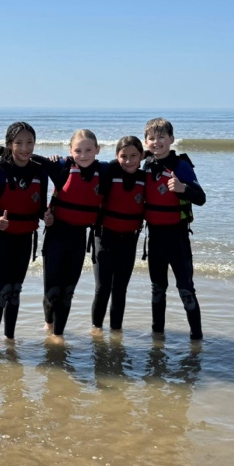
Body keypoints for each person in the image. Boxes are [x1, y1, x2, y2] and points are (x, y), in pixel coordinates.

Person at [32, 129, 109, 338]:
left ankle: (58, 335)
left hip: (79, 238)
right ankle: (49, 324)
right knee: (52, 292)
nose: (83, 155)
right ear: (70, 151)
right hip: (56, 235)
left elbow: (128, 161)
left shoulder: (104, 171)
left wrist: (150, 153)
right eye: (78, 150)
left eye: (88, 150)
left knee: (67, 293)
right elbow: (30, 157)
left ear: (97, 149)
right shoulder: (62, 168)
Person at [0, 122, 49, 344]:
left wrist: (46, 216)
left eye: (30, 142)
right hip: (1, 238)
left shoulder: (40, 172)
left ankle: (10, 339)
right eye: (19, 143)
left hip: (25, 238)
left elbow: (40, 208)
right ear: (10, 145)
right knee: (3, 289)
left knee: (16, 289)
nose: (25, 148)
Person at [143, 117, 206, 340]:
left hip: (178, 239)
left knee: (186, 290)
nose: (156, 142)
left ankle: (196, 339)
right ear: (146, 142)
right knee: (157, 289)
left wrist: (183, 188)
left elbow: (201, 198)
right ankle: (157, 339)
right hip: (155, 238)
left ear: (171, 139)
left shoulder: (181, 166)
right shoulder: (146, 164)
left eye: (161, 137)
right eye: (152, 138)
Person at [91, 136, 145, 333]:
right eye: (123, 156)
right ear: (116, 156)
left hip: (129, 240)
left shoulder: (145, 178)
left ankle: (116, 331)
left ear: (141, 156)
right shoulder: (109, 172)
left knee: (120, 289)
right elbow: (88, 163)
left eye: (134, 156)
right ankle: (96, 330)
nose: (128, 161)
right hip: (104, 238)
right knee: (103, 287)